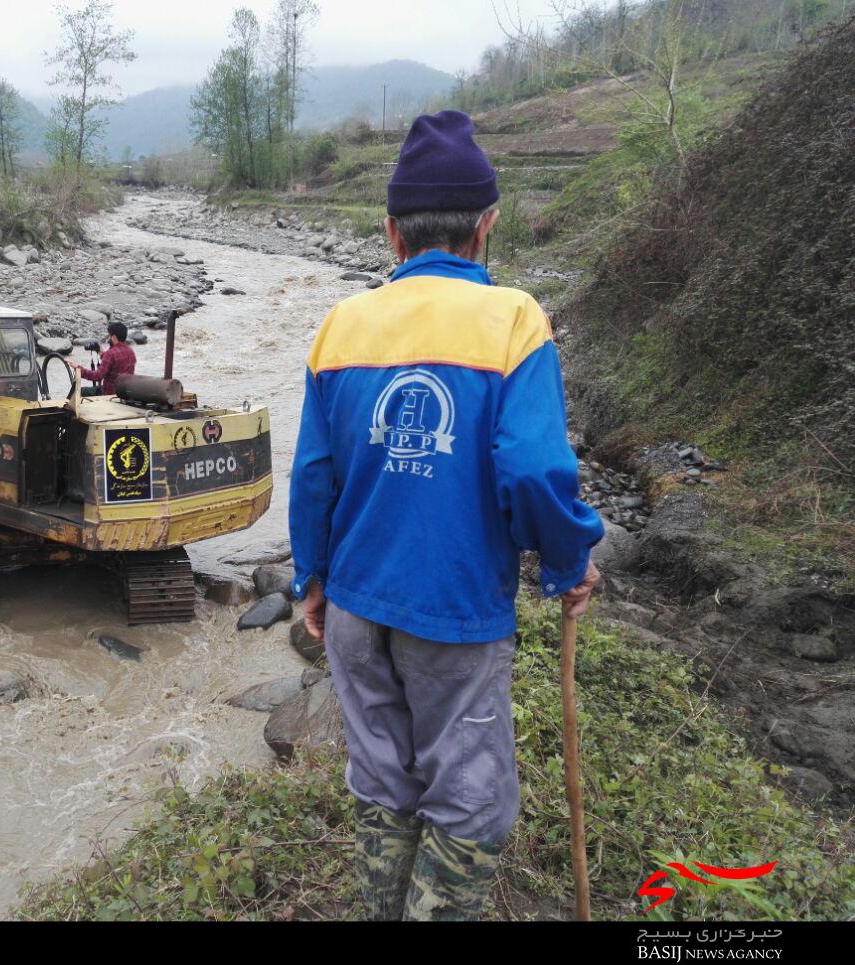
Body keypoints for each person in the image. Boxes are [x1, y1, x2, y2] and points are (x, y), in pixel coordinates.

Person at [288, 110, 604, 922]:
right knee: (468, 806)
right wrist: (570, 562)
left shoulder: (339, 327)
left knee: (383, 784)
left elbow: (314, 475)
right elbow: (534, 469)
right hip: (455, 616)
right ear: (487, 225)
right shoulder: (513, 322)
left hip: (357, 608)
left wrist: (311, 580)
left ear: (392, 233)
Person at [76, 321, 136, 396]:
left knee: (81, 391)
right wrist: (100, 352)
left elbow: (97, 376)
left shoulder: (110, 354)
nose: (109, 338)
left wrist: (79, 369)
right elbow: (115, 362)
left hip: (108, 393)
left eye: (109, 336)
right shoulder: (131, 352)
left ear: (114, 337)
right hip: (124, 392)